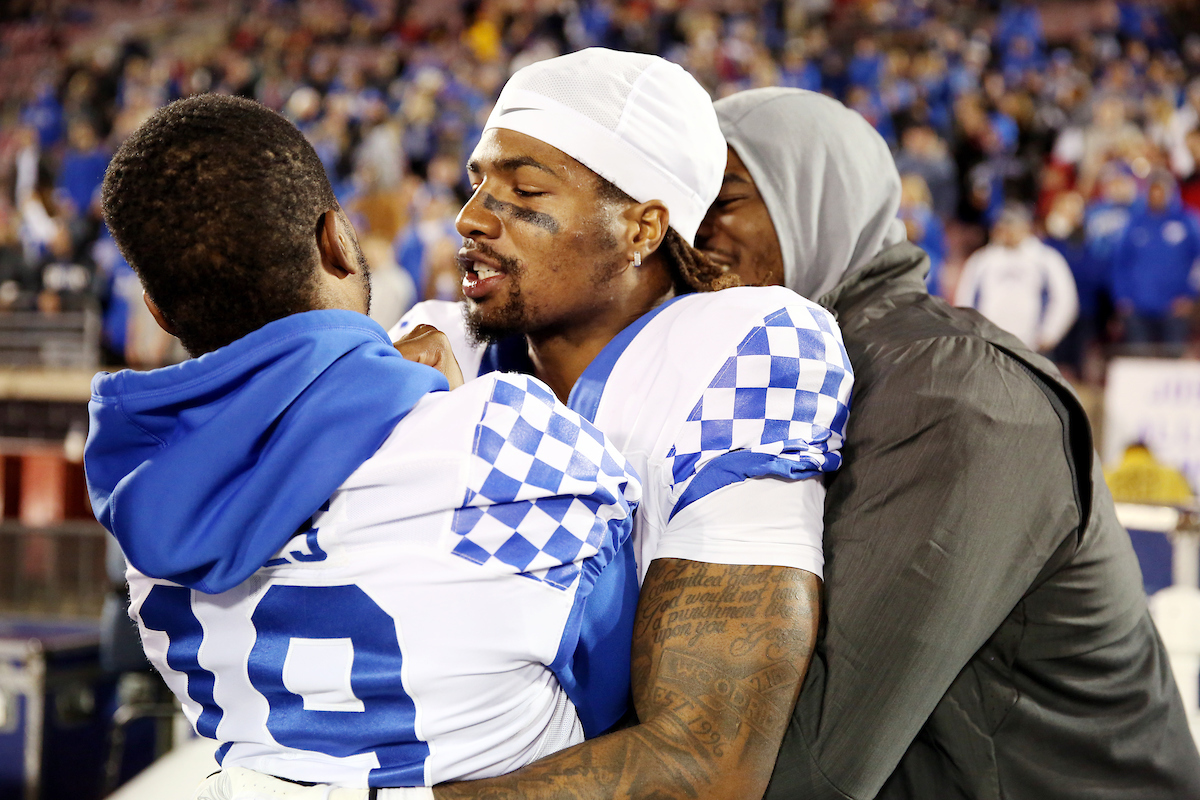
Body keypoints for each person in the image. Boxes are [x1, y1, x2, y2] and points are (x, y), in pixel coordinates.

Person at [220, 47, 853, 800]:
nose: (470, 218)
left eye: (523, 190)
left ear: (643, 228)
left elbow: (707, 763)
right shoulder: (438, 345)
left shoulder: (741, 352)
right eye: (477, 182)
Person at [86, 94, 644, 793]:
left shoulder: (147, 543)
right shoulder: (508, 437)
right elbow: (620, 699)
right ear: (336, 241)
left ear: (160, 313)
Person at [697, 85, 1200, 799]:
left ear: (818, 201)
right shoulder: (788, 379)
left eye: (724, 199)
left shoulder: (957, 391)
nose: (692, 231)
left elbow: (810, 767)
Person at [954, 203, 1079, 353]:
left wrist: (1049, 335)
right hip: (989, 345)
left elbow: (1064, 298)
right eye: (1003, 224)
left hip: (1031, 345)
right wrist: (971, 334)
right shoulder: (983, 259)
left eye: (1012, 224)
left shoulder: (1045, 258)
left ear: (1026, 226)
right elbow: (965, 298)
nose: (1007, 230)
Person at [1111, 168, 1200, 355]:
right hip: (1137, 307)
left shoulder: (1187, 222)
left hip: (1175, 308)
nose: (1157, 195)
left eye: (1162, 191)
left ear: (1171, 192)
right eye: (1154, 190)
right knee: (1139, 359)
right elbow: (1120, 263)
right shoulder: (1134, 223)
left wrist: (1189, 295)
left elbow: (1198, 262)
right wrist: (1122, 296)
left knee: (1173, 359)